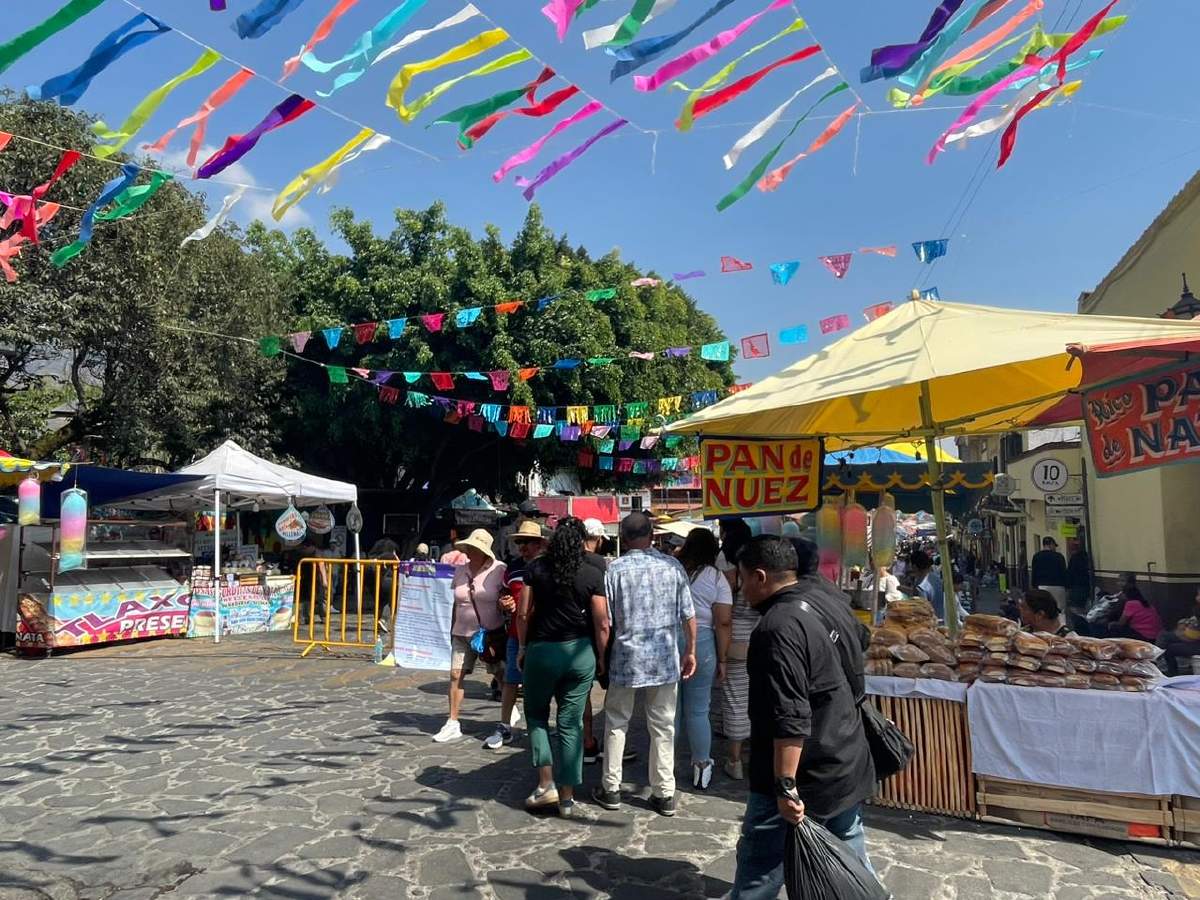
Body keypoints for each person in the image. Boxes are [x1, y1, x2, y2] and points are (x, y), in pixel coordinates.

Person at [731, 536, 875, 899]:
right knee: (852, 862)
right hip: (844, 756)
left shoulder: (777, 628)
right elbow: (862, 640)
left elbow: (789, 716)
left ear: (760, 576)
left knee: (760, 870)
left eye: (742, 578)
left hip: (805, 772)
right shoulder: (826, 598)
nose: (740, 588)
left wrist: (786, 786)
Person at [591, 512, 697, 816]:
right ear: (651, 535)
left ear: (623, 539)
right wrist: (690, 650)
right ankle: (664, 792)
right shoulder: (673, 566)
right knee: (663, 725)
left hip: (626, 657)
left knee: (616, 722)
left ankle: (611, 787)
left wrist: (602, 657)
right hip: (664, 659)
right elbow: (688, 614)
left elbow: (606, 622)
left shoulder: (614, 570)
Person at [519, 517, 608, 817]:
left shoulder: (537, 569)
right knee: (571, 723)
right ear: (583, 542)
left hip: (542, 651)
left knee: (536, 715)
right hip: (580, 653)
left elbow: (523, 613)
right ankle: (567, 797)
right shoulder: (593, 573)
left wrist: (522, 647)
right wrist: (602, 657)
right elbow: (602, 622)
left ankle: (546, 784)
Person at [433, 529, 506, 743]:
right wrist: (451, 628)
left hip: (488, 634)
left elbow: (506, 596)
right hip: (461, 632)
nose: (471, 551)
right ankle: (452, 721)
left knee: (499, 674)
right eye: (470, 547)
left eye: (475, 548)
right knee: (456, 674)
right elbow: (456, 602)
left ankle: (508, 713)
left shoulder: (499, 570)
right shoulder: (461, 570)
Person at [676, 527, 732, 791]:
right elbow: (723, 622)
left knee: (669, 709)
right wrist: (723, 660)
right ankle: (701, 765)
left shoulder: (674, 570)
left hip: (670, 641)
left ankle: (663, 766)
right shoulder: (717, 578)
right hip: (703, 643)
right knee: (698, 709)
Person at [484, 521, 547, 751]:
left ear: (539, 544)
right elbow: (504, 592)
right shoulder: (513, 568)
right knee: (510, 680)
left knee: (539, 684)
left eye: (527, 542)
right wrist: (504, 601)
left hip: (542, 635)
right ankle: (505, 725)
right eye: (519, 542)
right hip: (515, 634)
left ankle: (537, 725)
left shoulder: (548, 567)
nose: (522, 547)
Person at [717, 517, 755, 781]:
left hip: (735, 637)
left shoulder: (726, 562)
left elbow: (724, 614)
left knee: (735, 699)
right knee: (757, 696)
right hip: (761, 633)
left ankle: (735, 759)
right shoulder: (758, 562)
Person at [1158, 589, 1200, 675]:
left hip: (1196, 643)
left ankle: (1169, 671)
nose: (1197, 597)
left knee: (1169, 647)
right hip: (1194, 639)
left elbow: (1192, 637)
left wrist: (1180, 633)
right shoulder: (1197, 609)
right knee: (1165, 638)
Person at [1030, 537, 1068, 608]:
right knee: (1059, 608)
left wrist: (1034, 586)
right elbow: (1064, 572)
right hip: (1058, 586)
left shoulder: (1036, 556)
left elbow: (1034, 573)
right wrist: (1066, 586)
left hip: (1042, 586)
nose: (1055, 548)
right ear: (1051, 544)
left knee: (1044, 608)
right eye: (1054, 546)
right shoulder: (1059, 556)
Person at [1065, 537, 1091, 627]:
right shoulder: (1086, 556)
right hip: (1085, 586)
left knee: (1075, 608)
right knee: (1082, 608)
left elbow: (1070, 573)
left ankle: (1079, 626)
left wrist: (1068, 588)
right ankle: (1084, 626)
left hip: (1076, 587)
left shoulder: (1074, 558)